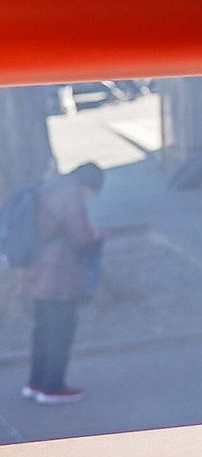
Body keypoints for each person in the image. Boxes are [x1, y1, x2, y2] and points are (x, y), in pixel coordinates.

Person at [22, 162, 105, 404]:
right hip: (59, 276)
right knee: (60, 334)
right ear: (88, 186)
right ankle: (52, 388)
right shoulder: (71, 196)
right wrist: (94, 235)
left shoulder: (49, 187)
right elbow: (80, 239)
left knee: (42, 332)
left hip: (37, 273)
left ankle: (35, 383)